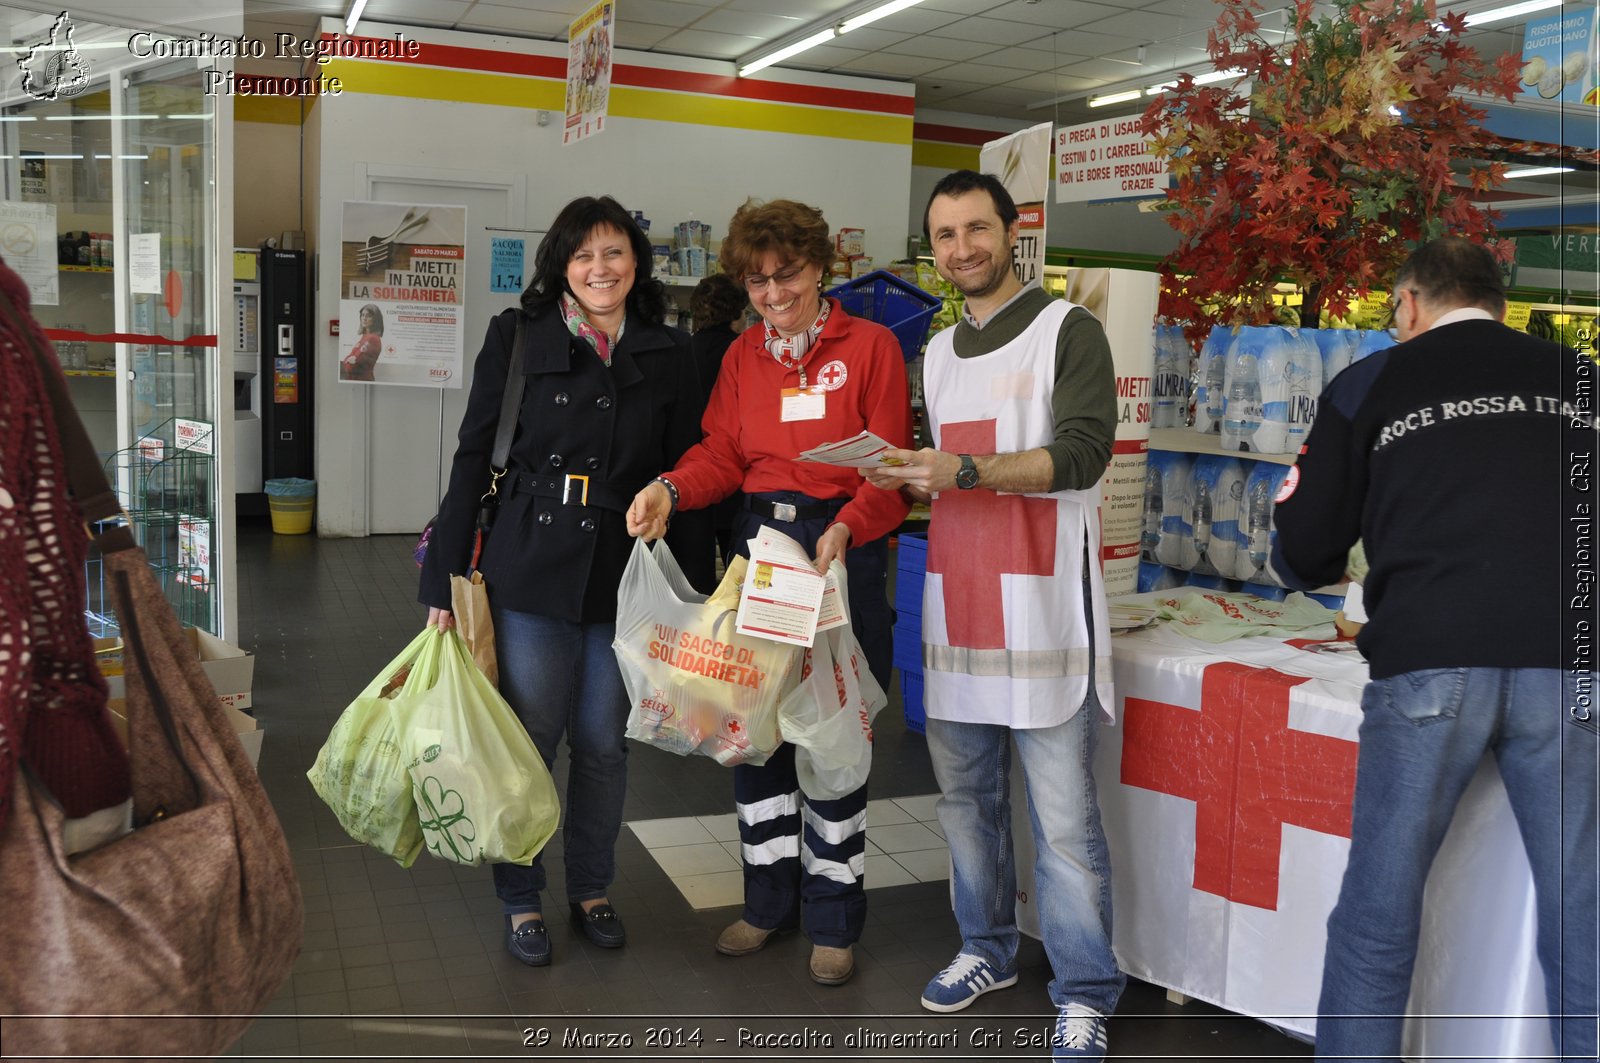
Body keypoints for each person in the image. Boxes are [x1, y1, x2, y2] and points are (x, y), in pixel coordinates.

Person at [1271, 236, 1597, 1061]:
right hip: (1574, 659)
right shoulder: (1584, 384)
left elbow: (1305, 547)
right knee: (1583, 913)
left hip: (1429, 661)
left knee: (1379, 910)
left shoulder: (1372, 381)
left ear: (1409, 304)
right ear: (1498, 302)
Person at [864, 169, 1122, 1061]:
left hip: (1045, 611)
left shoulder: (1068, 330)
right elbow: (943, 467)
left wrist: (962, 473)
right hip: (958, 604)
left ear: (1013, 232)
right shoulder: (936, 351)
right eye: (944, 235)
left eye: (978, 228)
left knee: (1063, 820)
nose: (962, 248)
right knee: (965, 802)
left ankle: (1086, 988)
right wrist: (902, 471)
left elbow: (1084, 458)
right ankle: (986, 948)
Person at [625, 198, 912, 987]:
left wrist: (852, 524)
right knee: (752, 730)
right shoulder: (744, 357)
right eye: (757, 280)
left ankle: (832, 920)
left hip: (839, 556)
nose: (774, 292)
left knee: (833, 743)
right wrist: (672, 490)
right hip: (760, 554)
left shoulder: (873, 347)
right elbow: (722, 452)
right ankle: (767, 902)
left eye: (787, 274)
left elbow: (892, 472)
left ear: (821, 267)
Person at [418, 195, 710, 969]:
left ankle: (590, 887)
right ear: (562, 267)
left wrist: (702, 589)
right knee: (528, 740)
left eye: (614, 253)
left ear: (636, 263)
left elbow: (693, 469)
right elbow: (472, 455)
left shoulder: (670, 351)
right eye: (583, 256)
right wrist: (440, 583)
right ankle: (521, 895)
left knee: (604, 745)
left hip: (624, 577)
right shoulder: (517, 337)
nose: (600, 269)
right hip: (529, 570)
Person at [688, 271, 750, 563]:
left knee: (695, 571)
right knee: (739, 571)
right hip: (736, 478)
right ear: (737, 313)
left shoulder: (683, 350)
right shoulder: (744, 353)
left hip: (690, 474)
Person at [340, 303, 383, 382]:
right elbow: (347, 359)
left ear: (375, 319)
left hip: (363, 381)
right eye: (362, 315)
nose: (364, 318)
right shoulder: (365, 337)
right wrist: (348, 360)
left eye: (368, 316)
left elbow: (350, 367)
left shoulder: (372, 339)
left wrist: (348, 360)